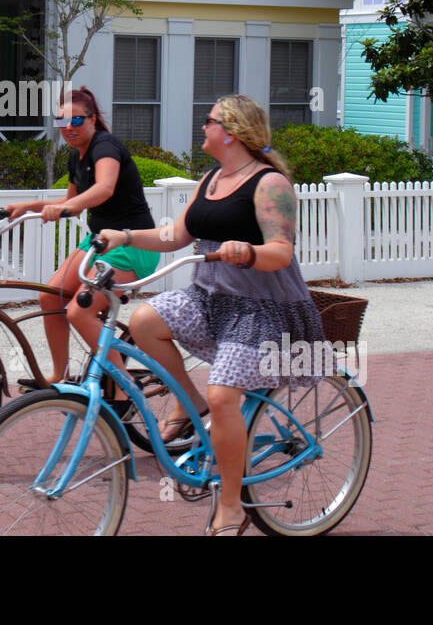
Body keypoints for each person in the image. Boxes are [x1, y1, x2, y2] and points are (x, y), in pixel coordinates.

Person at [96, 93, 333, 536]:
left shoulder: (269, 184)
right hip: (210, 299)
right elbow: (174, 235)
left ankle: (230, 504)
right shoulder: (211, 178)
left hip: (262, 310)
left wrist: (249, 252)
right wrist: (123, 235)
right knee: (145, 321)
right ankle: (192, 404)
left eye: (209, 121)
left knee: (226, 396)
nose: (202, 127)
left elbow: (281, 252)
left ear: (231, 131)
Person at [5, 87, 159, 394]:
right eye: (61, 121)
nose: (68, 127)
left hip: (130, 244)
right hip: (99, 241)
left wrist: (67, 207)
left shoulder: (105, 146)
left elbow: (104, 189)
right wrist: (28, 206)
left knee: (78, 311)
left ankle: (124, 387)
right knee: (51, 296)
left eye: (77, 119)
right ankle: (59, 376)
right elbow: (70, 199)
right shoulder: (77, 158)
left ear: (93, 119)